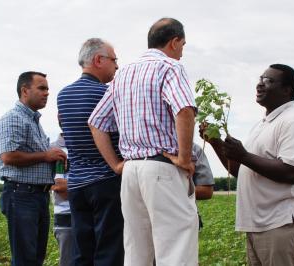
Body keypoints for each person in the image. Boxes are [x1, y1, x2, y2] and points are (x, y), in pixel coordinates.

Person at [88, 18, 198, 266]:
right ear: (174, 42)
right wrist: (183, 157)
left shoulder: (123, 73)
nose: (181, 52)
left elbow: (96, 122)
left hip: (131, 172)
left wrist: (117, 165)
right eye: (182, 46)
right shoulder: (170, 67)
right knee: (176, 250)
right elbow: (184, 109)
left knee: (137, 250)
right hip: (162, 169)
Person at [200, 64, 294, 266]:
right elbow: (240, 170)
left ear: (286, 90)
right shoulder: (263, 125)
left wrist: (244, 155)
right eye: (261, 79)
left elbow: (292, 172)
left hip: (282, 223)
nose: (260, 84)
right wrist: (215, 142)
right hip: (260, 223)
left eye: (269, 81)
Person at [57, 38, 124, 266]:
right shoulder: (106, 93)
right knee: (109, 249)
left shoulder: (63, 96)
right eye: (114, 60)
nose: (117, 66)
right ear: (98, 60)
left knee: (82, 250)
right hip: (105, 181)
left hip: (76, 184)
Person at [0, 71, 67, 265]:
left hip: (36, 196)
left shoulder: (33, 121)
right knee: (25, 259)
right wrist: (46, 155)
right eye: (42, 88)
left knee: (35, 258)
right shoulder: (14, 118)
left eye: (48, 89)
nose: (47, 93)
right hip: (22, 195)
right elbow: (9, 156)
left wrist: (53, 157)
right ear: (24, 90)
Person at [51, 133, 74, 266]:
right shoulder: (55, 150)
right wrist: (88, 188)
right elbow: (59, 186)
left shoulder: (92, 147)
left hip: (89, 215)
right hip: (65, 217)